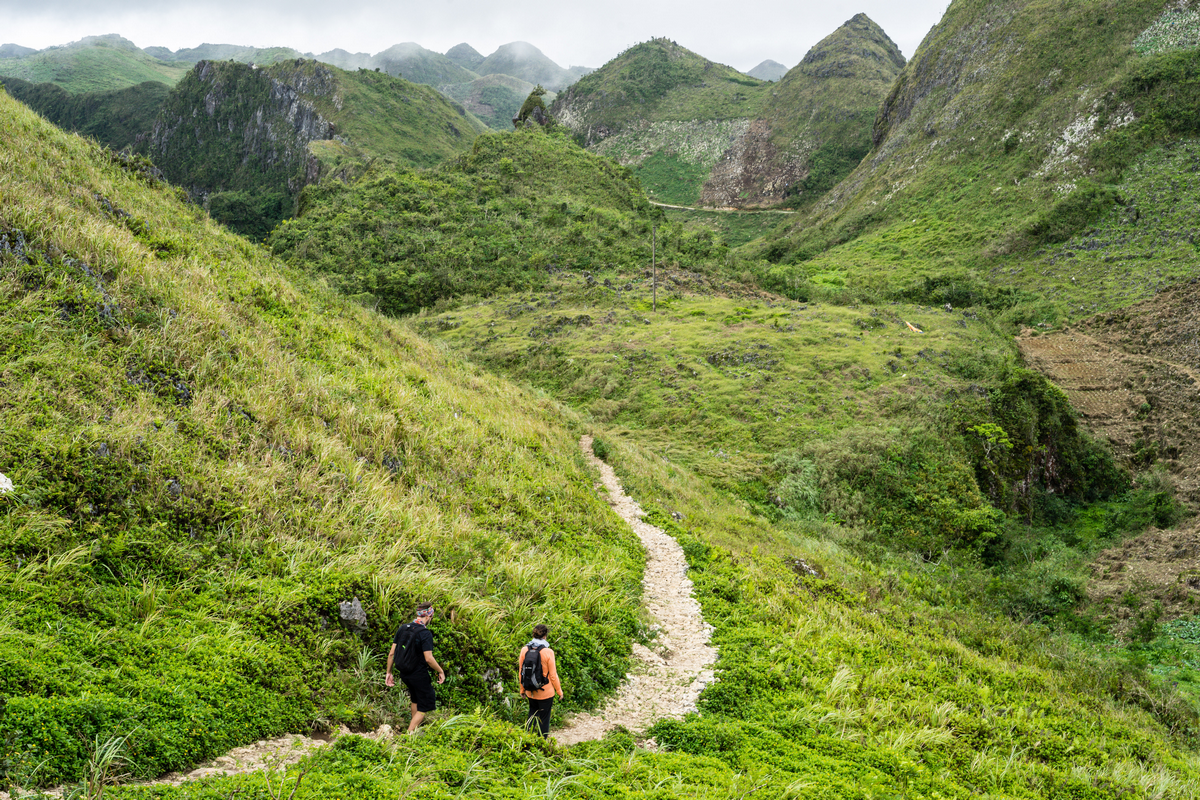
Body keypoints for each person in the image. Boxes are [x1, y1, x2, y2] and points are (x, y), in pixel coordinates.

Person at [386, 602, 446, 733]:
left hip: (404, 673)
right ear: (429, 615)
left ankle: (413, 732)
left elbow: (391, 653)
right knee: (425, 705)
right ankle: (409, 734)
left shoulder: (403, 628)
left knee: (416, 699)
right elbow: (429, 658)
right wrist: (440, 671)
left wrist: (388, 673)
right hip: (418, 674)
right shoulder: (425, 633)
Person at [517, 623, 562, 738]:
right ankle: (542, 744)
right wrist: (559, 691)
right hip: (546, 692)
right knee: (544, 719)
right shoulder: (548, 652)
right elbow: (553, 675)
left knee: (532, 714)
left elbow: (521, 672)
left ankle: (527, 740)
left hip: (530, 691)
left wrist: (522, 690)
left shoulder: (524, 650)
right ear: (545, 636)